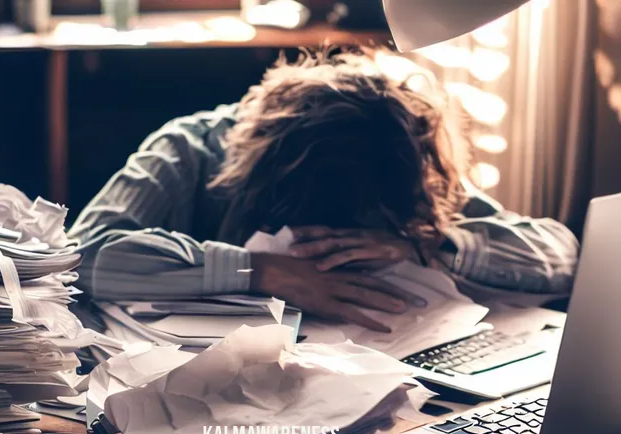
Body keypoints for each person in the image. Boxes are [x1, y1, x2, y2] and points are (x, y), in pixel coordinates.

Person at [68, 48, 580, 333]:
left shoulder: (392, 149)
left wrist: (430, 242)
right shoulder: (192, 147)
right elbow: (80, 255)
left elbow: (561, 253)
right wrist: (260, 270)